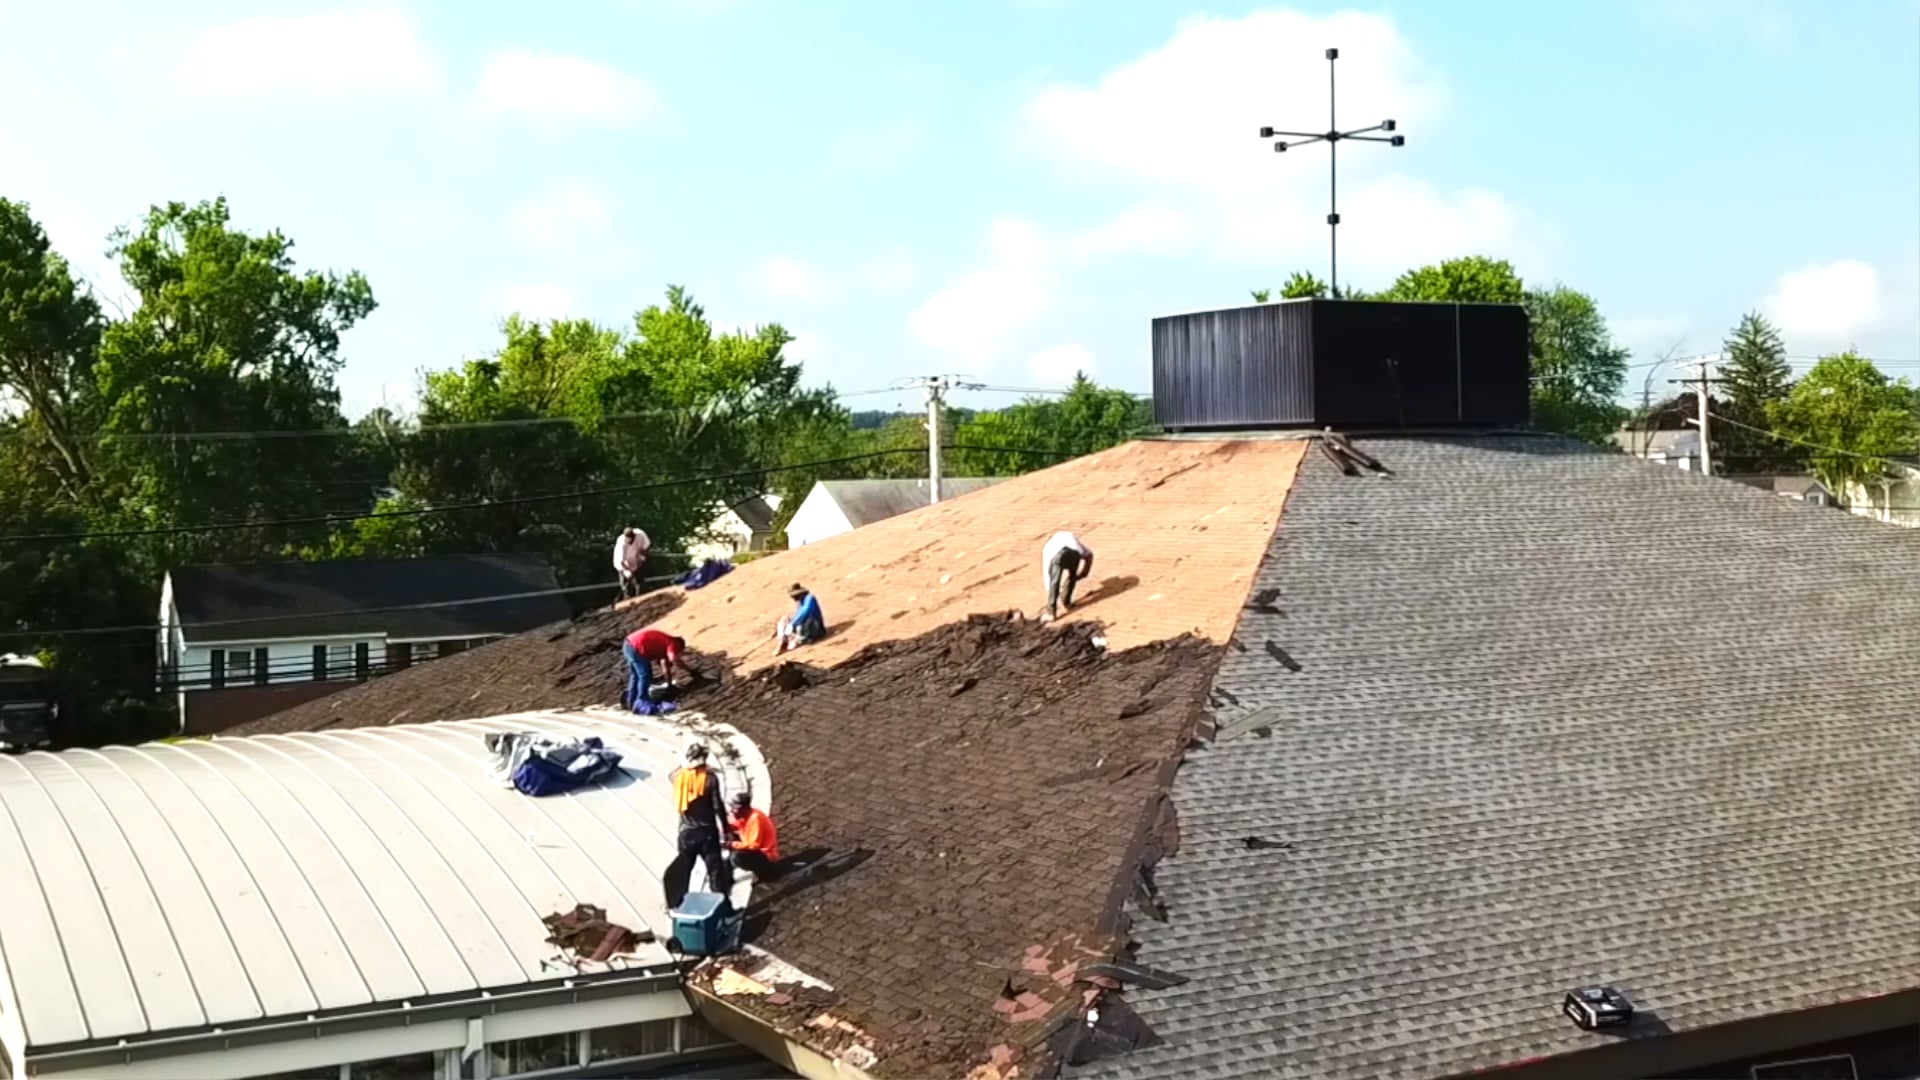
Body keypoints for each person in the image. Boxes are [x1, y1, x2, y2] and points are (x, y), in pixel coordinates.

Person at [663, 742, 732, 910]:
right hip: (707, 834)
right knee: (715, 873)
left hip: (686, 835)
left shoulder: (676, 777)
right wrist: (726, 829)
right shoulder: (710, 779)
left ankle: (679, 907)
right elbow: (718, 807)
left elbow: (676, 770)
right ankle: (724, 909)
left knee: (683, 873)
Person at [622, 627, 690, 712]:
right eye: (679, 651)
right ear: (679, 645)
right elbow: (673, 659)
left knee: (635, 676)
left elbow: (665, 666)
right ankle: (642, 701)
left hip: (628, 644)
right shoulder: (673, 643)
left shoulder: (663, 644)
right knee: (645, 675)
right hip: (635, 647)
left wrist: (669, 684)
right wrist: (688, 669)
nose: (678, 652)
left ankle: (631, 702)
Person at [725, 792, 786, 880]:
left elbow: (754, 845)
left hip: (766, 855)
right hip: (754, 848)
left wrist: (732, 844)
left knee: (737, 857)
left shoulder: (756, 819)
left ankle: (766, 871)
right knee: (730, 836)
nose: (732, 811)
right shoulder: (746, 815)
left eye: (734, 808)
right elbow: (736, 825)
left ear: (743, 809)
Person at [1040, 530, 1094, 622]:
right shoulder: (1070, 536)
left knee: (1055, 581)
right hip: (1075, 554)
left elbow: (1048, 574)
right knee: (1071, 576)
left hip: (1058, 556)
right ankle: (1067, 602)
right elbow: (1089, 555)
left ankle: (1051, 612)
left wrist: (1050, 589)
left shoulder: (1048, 548)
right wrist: (1084, 572)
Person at [775, 583, 826, 654]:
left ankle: (799, 639)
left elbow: (806, 611)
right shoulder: (800, 602)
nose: (793, 598)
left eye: (794, 596)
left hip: (815, 628)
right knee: (784, 619)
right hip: (802, 628)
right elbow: (797, 615)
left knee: (808, 619)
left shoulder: (810, 598)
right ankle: (783, 640)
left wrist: (793, 624)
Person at [613, 527, 651, 598]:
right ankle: (627, 599)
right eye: (629, 540)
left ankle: (641, 598)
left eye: (632, 538)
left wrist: (643, 555)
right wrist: (626, 571)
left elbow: (647, 546)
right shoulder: (621, 544)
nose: (631, 541)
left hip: (637, 560)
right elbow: (621, 561)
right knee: (626, 586)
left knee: (640, 583)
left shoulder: (640, 534)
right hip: (623, 565)